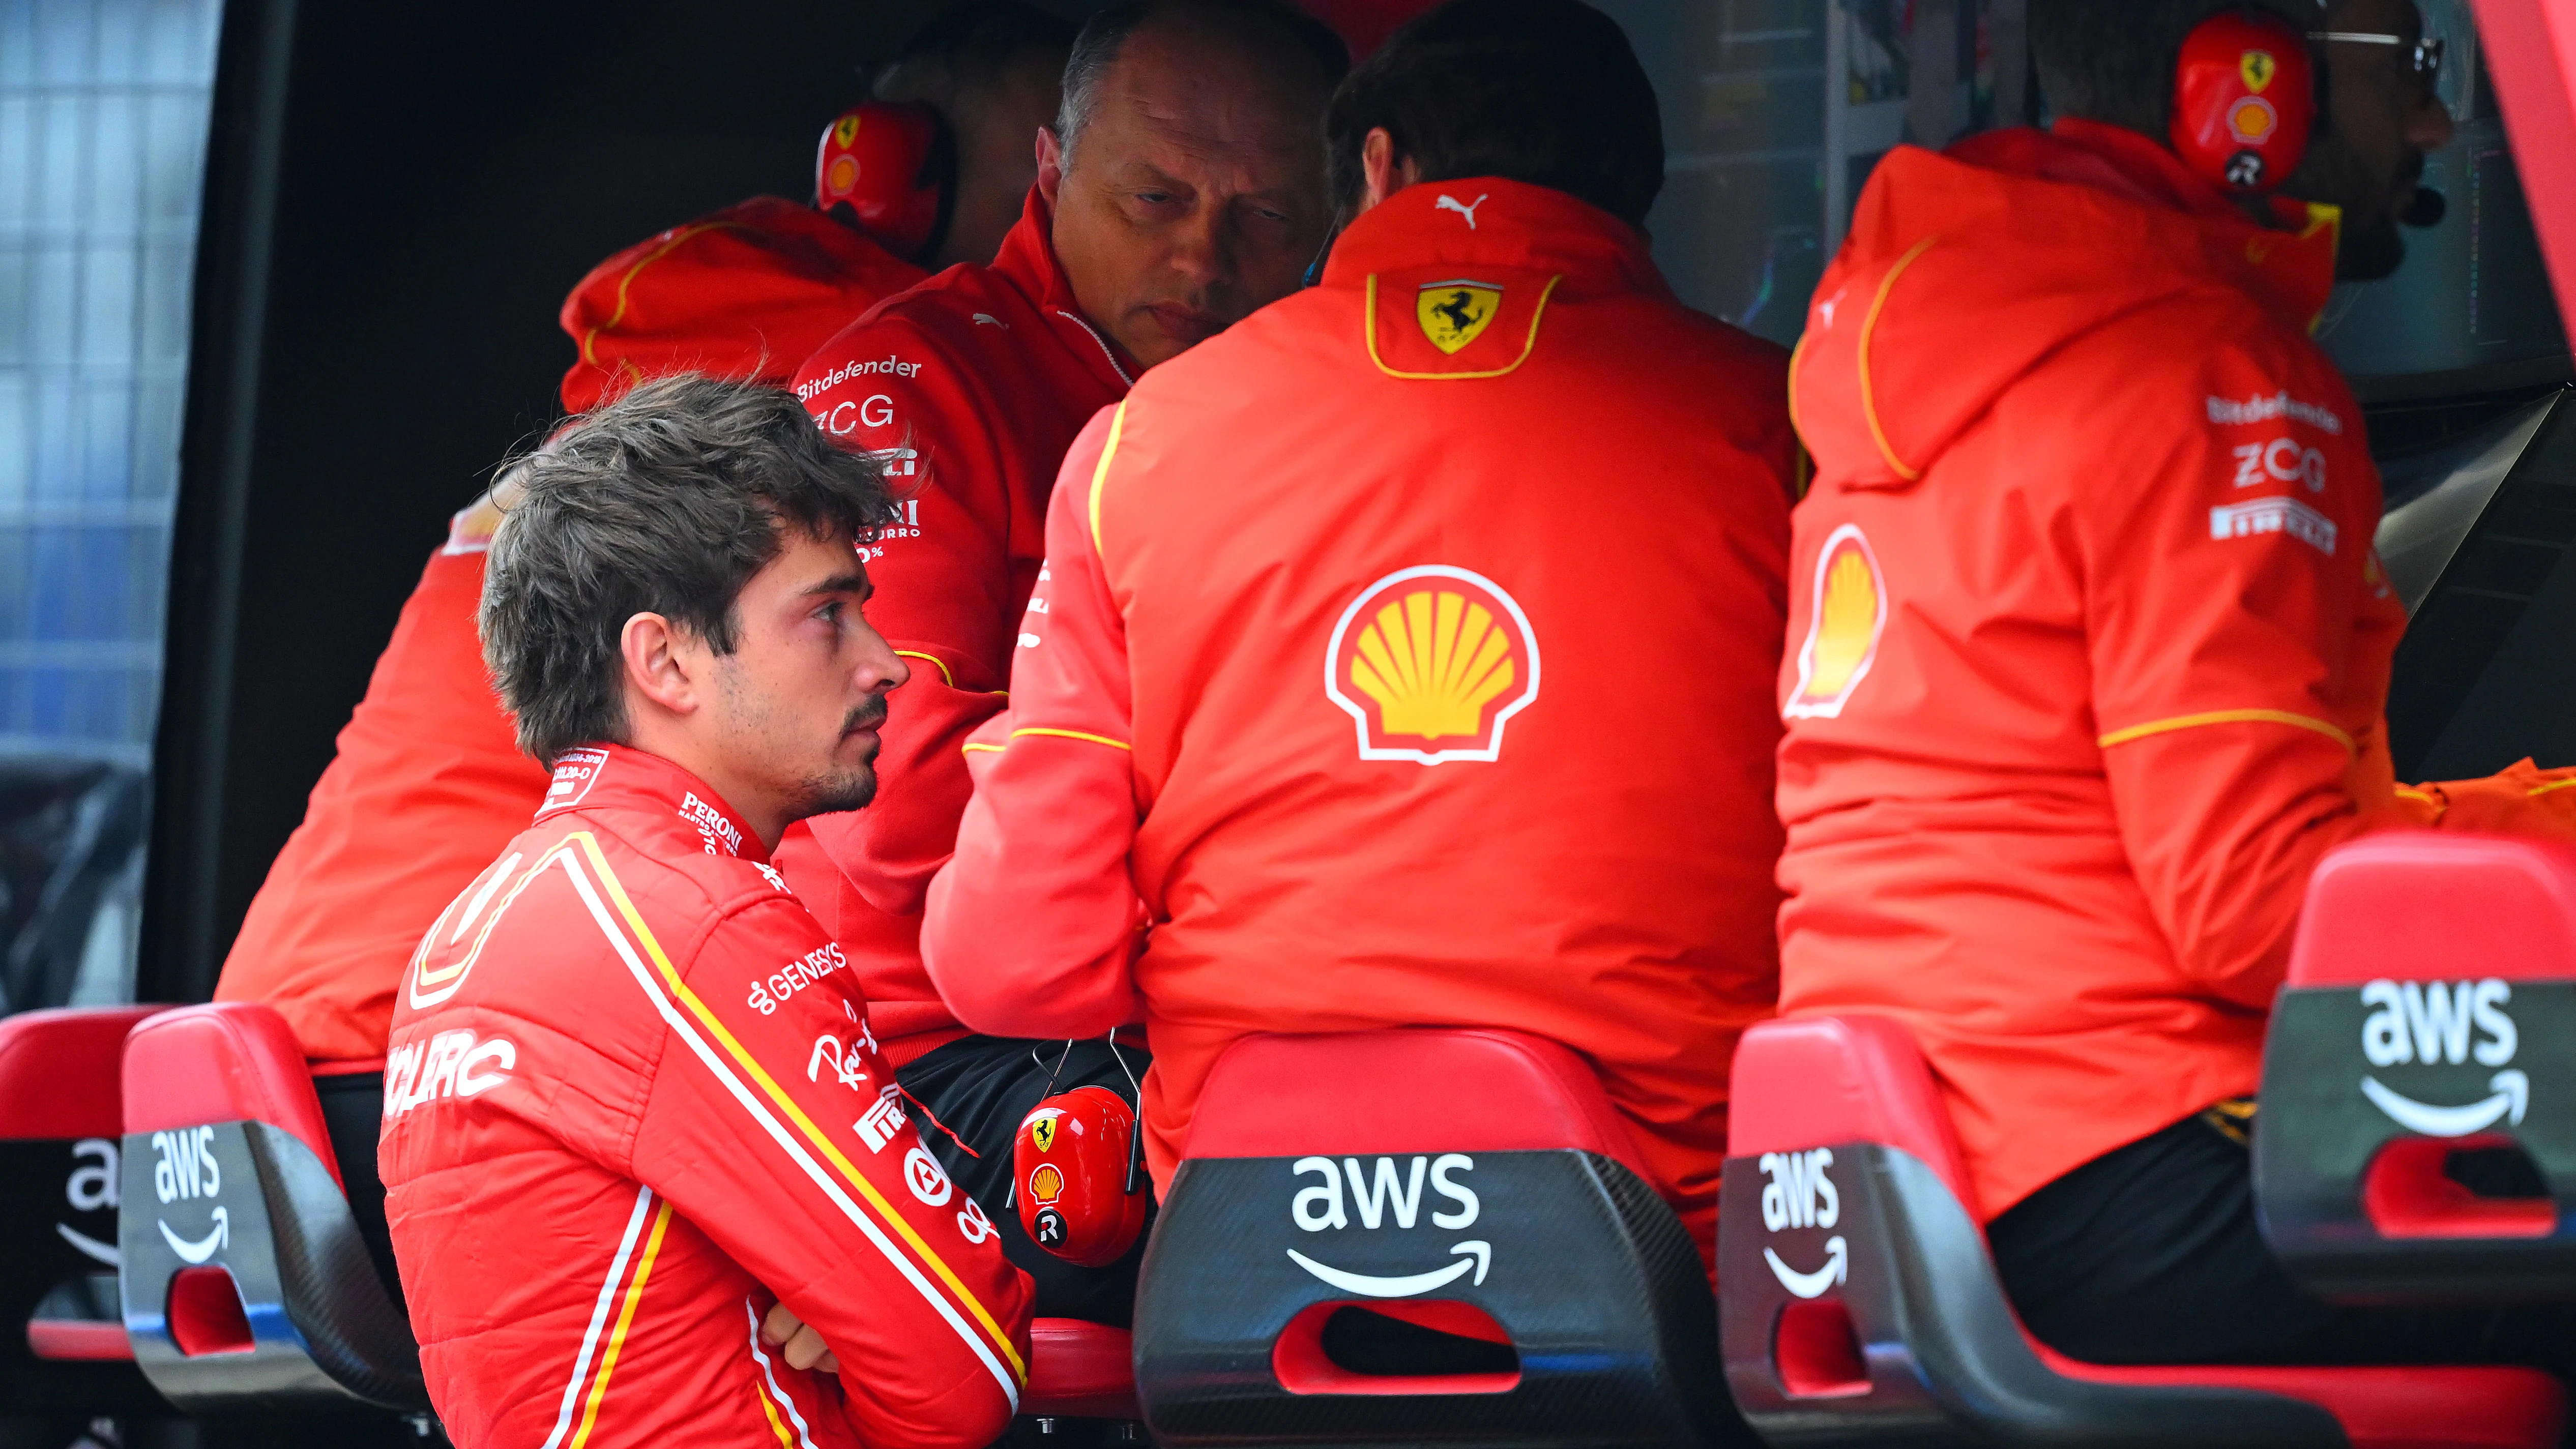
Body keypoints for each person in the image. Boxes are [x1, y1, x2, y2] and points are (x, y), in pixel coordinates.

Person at [915, 0, 1796, 1276]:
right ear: (1636, 191)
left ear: (1374, 168)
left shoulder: (1141, 447)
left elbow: (1013, 962)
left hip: (1257, 1246)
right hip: (1671, 1246)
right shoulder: (1782, 432)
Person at [209, 8, 1071, 1297]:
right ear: (897, 177)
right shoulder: (882, 382)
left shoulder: (657, 407)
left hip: (278, 1082)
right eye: (1057, 178)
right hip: (445, 1076)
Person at [1774, 0, 2576, 1369]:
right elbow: (2257, 901)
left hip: (1891, 1176)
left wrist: (2527, 830)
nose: (2439, 126)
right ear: (2243, 90)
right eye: (2418, 69)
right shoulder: (2212, 377)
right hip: (2120, 1171)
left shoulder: (1941, 359)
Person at [784, 0, 1345, 1323]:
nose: (1201, 256)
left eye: (1265, 218)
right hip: (923, 1057)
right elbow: (898, 800)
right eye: (1153, 196)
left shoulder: (1328, 414)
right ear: (1049, 167)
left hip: (1207, 1018)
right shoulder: (904, 386)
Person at [378, 375, 1030, 1447]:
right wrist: (867, 1319)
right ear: (667, 660)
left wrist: (839, 1301)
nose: (886, 659)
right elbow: (965, 1364)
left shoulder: (488, 916)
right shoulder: (689, 922)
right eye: (827, 613)